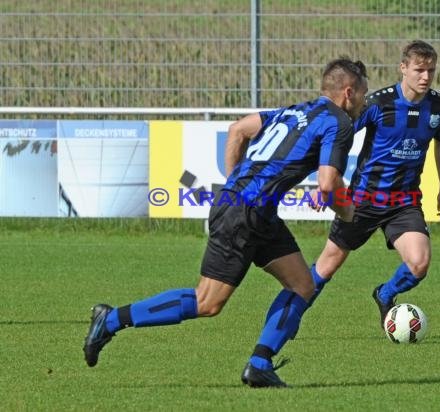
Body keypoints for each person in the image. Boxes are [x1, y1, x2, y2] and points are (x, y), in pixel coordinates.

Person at [82, 57, 368, 388]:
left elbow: (238, 129)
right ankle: (112, 319)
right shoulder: (339, 123)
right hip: (245, 212)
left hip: (256, 211)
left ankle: (260, 364)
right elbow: (329, 183)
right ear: (348, 92)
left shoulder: (293, 111)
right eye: (363, 93)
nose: (364, 100)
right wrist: (347, 214)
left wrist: (236, 181)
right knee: (208, 302)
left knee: (302, 285)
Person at [307, 40, 440, 330]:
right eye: (419, 70)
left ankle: (385, 294)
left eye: (431, 70)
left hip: (404, 202)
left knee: (419, 263)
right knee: (327, 266)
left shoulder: (439, 105)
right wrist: (318, 180)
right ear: (403, 68)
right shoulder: (377, 103)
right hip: (362, 199)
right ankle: (291, 316)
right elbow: (336, 134)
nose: (426, 76)